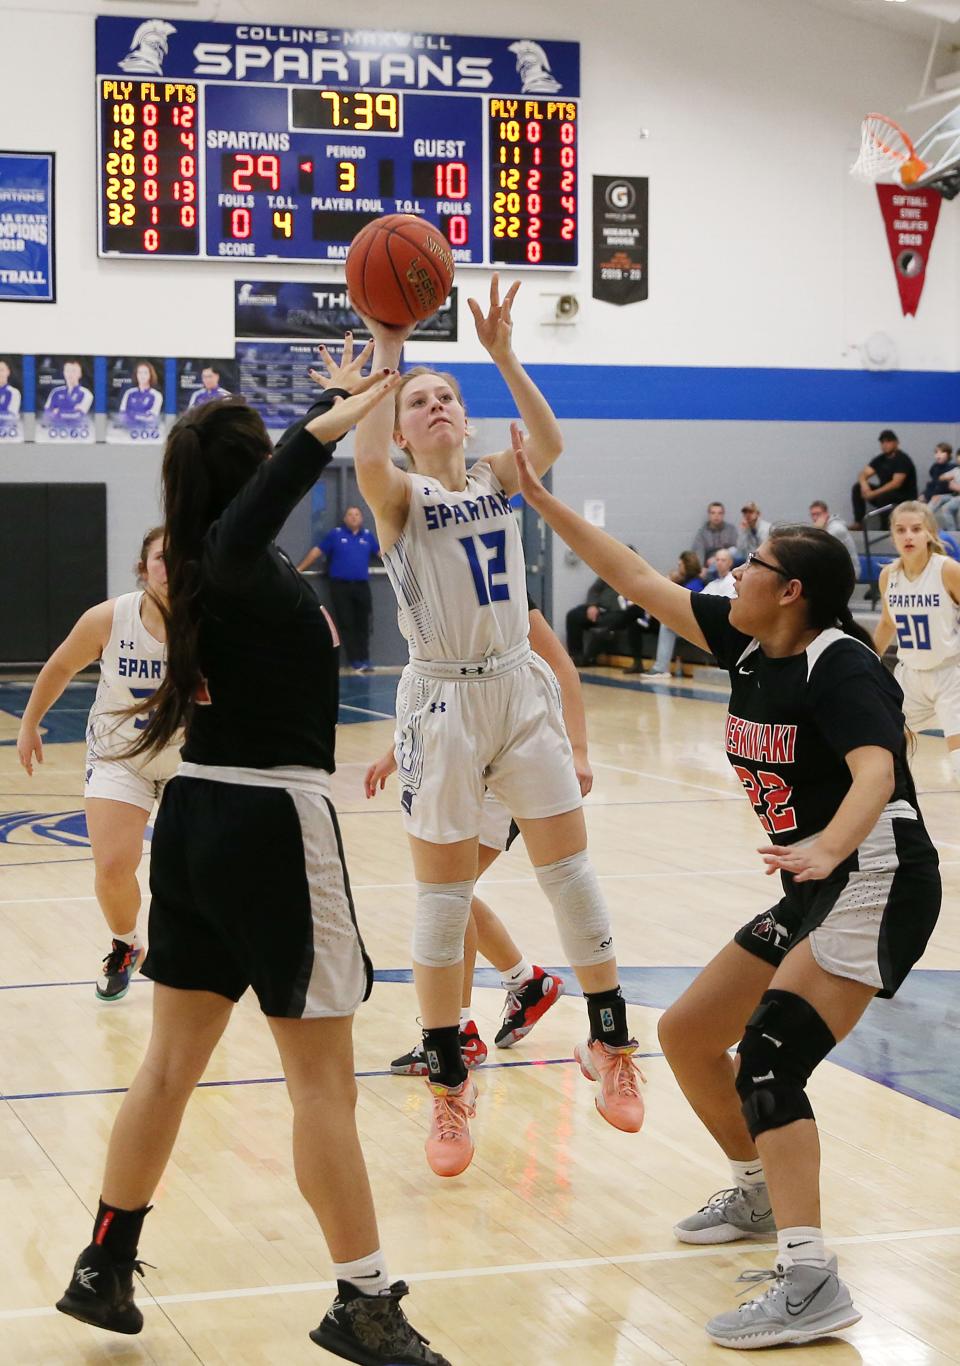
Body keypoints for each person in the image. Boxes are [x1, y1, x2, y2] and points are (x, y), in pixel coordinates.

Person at [53, 371, 450, 1365]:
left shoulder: (202, 563)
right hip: (274, 819)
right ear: (249, 474)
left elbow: (268, 493)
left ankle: (105, 1261)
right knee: (322, 1083)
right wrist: (341, 414)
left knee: (169, 1065)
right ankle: (362, 1300)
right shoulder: (230, 556)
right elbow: (282, 480)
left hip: (198, 817)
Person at [511, 440, 941, 1351]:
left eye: (752, 566)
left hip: (874, 875)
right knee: (690, 1034)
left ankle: (811, 1276)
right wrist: (537, 499)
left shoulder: (840, 664)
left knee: (772, 1059)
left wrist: (826, 843)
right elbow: (626, 571)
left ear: (791, 590)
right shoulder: (744, 640)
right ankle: (757, 1188)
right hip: (813, 877)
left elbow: (878, 771)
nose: (732, 573)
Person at [350, 277, 644, 1179]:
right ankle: (448, 1085)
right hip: (440, 703)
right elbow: (364, 458)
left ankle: (610, 1042)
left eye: (447, 397)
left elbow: (548, 441)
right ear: (401, 430)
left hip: (518, 691)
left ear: (464, 421)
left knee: (570, 873)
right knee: (443, 904)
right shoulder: (396, 495)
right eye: (417, 403)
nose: (435, 407)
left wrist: (505, 354)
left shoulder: (497, 476)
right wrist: (388, 345)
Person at [366, 595, 593, 1071]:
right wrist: (400, 746)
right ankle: (524, 983)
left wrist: (578, 750)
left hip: (506, 760)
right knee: (453, 894)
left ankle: (466, 1027)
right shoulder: (422, 575)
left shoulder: (494, 582)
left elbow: (560, 666)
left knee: (449, 895)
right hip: (454, 750)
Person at [17, 528, 177, 1002]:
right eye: (161, 558)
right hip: (119, 755)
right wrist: (30, 724)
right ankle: (127, 944)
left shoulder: (210, 619)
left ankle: (211, 950)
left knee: (196, 869)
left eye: (180, 558)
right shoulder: (111, 617)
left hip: (187, 759)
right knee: (111, 865)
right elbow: (61, 666)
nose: (170, 567)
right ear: (143, 566)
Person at [874, 501, 960, 782]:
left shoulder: (947, 570)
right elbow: (887, 623)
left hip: (951, 673)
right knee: (880, 745)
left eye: (916, 529)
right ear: (892, 535)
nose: (908, 535)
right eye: (900, 530)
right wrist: (868, 661)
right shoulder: (889, 576)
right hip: (910, 676)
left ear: (930, 533)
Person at [299, 502, 381, 673]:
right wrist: (299, 569)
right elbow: (317, 551)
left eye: (357, 514)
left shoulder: (367, 536)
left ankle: (365, 659)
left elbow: (383, 554)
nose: (353, 517)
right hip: (340, 587)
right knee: (347, 623)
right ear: (345, 518)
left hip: (361, 586)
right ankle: (354, 661)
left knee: (363, 624)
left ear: (362, 518)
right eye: (350, 515)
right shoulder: (335, 535)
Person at [632, 550, 704, 680]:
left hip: (691, 621)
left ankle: (661, 668)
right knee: (636, 618)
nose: (678, 567)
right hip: (678, 616)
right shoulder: (684, 581)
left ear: (687, 565)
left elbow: (682, 604)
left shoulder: (695, 583)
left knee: (667, 626)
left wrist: (669, 582)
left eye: (680, 564)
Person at [850, 429, 917, 529]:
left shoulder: (902, 459)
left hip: (903, 497)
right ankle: (859, 523)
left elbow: (896, 483)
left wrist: (874, 493)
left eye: (888, 441)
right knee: (857, 487)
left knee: (884, 496)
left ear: (896, 442)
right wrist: (864, 485)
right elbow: (863, 474)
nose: (885, 445)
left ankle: (885, 528)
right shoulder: (880, 459)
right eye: (882, 442)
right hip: (884, 494)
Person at [565, 572, 621, 664]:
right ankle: (576, 655)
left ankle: (589, 658)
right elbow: (594, 590)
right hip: (599, 608)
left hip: (617, 611)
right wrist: (592, 605)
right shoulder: (609, 573)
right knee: (573, 615)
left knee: (606, 624)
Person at [809, 500, 859, 577]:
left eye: (818, 514)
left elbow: (820, 548)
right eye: (813, 515)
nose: (815, 518)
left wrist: (818, 530)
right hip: (836, 569)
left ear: (826, 514)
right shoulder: (824, 528)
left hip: (849, 573)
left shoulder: (837, 529)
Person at [692, 501, 737, 573]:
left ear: (723, 515)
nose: (716, 516)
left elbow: (735, 550)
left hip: (728, 562)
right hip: (711, 566)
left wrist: (717, 558)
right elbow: (698, 554)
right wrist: (701, 569)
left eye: (720, 513)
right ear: (709, 515)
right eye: (713, 513)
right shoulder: (702, 533)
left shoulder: (730, 529)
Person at [118, 362, 163, 429]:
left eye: (145, 373)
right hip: (127, 430)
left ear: (150, 375)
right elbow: (122, 415)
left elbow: (152, 418)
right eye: (140, 373)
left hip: (147, 431)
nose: (142, 376)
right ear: (136, 375)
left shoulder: (157, 395)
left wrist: (133, 415)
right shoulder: (129, 392)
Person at [920, 441, 956, 512]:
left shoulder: (952, 468)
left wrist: (935, 495)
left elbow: (946, 487)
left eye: (942, 452)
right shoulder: (934, 467)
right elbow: (933, 483)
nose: (938, 455)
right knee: (918, 503)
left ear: (948, 454)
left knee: (929, 508)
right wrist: (925, 494)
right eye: (936, 452)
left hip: (948, 495)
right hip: (934, 493)